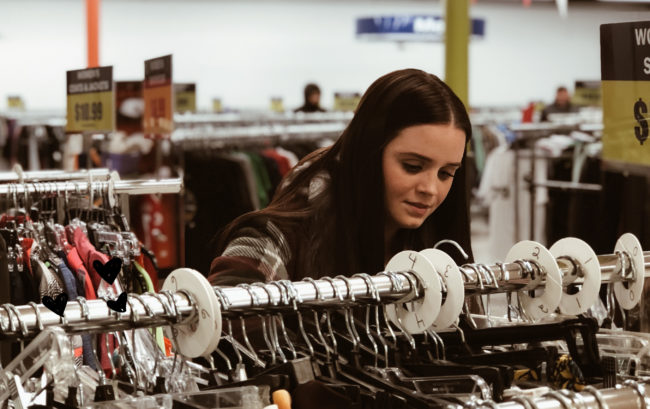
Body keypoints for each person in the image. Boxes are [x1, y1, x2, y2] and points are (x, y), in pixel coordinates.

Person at [208, 69, 473, 286]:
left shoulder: (441, 240)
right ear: (368, 153)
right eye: (412, 166)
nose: (430, 188)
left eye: (446, 173)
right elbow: (231, 304)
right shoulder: (285, 237)